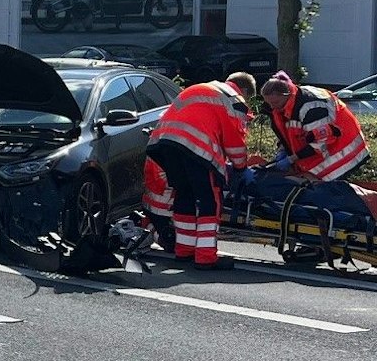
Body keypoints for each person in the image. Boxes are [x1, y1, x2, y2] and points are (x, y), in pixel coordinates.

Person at [146, 72, 257, 270]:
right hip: (196, 149)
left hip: (165, 145)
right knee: (209, 201)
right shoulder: (234, 99)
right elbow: (235, 142)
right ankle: (205, 257)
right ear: (246, 91)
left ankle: (184, 251)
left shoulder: (204, 87)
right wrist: (240, 167)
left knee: (185, 196)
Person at [260, 71, 370, 215]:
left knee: (328, 193)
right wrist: (283, 150)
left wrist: (292, 158)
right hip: (319, 150)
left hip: (343, 150)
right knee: (317, 188)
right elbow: (288, 133)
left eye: (275, 103)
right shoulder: (283, 105)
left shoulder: (311, 106)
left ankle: (348, 216)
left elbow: (321, 143)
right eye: (269, 103)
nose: (273, 107)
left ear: (286, 95)